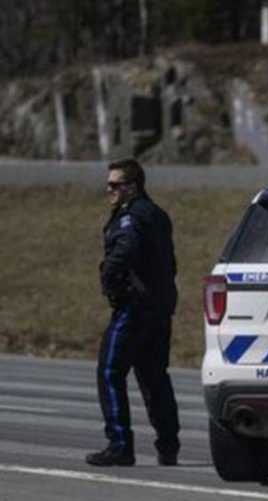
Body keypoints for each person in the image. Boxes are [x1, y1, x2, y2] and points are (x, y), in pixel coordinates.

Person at [87, 158, 180, 467]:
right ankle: (168, 445)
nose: (109, 190)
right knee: (154, 377)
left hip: (134, 308)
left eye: (115, 185)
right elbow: (170, 263)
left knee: (110, 372)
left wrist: (108, 277)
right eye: (108, 185)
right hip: (160, 307)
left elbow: (125, 250)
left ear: (133, 186)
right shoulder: (157, 214)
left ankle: (120, 444)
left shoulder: (132, 217)